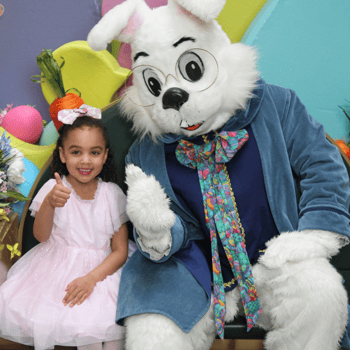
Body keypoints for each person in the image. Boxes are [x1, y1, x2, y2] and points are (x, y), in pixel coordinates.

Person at [0, 108, 136, 350]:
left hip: (103, 273)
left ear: (105, 156)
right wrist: (51, 203)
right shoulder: (54, 188)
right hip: (58, 271)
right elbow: (41, 236)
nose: (85, 160)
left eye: (94, 152)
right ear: (62, 154)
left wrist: (91, 279)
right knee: (85, 332)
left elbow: (120, 250)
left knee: (112, 330)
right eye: (76, 152)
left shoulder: (112, 194)